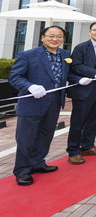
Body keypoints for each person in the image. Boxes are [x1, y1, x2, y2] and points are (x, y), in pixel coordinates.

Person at [9, 26, 76, 186]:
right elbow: (15, 76)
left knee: (46, 135)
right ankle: (23, 170)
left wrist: (80, 79)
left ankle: (38, 163)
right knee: (26, 138)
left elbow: (67, 75)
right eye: (51, 36)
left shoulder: (65, 55)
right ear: (42, 37)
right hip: (32, 103)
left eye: (59, 36)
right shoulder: (28, 55)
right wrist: (30, 86)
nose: (55, 39)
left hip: (54, 103)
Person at [66, 21, 96, 165]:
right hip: (84, 87)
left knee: (94, 118)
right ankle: (73, 151)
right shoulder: (81, 47)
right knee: (78, 120)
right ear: (90, 31)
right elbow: (76, 65)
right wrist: (94, 73)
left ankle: (88, 145)